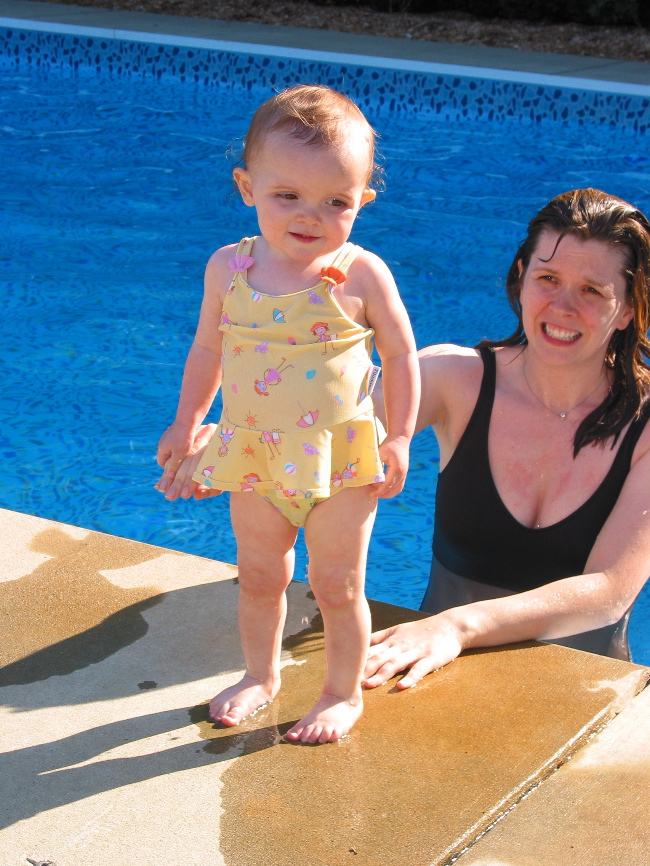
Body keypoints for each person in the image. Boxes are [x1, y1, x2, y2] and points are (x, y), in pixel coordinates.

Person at [155, 85, 419, 742]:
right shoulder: (229, 268)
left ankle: (340, 693)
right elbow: (207, 349)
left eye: (335, 202)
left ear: (362, 201)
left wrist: (401, 436)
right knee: (259, 574)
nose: (311, 216)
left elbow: (401, 355)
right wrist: (187, 422)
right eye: (288, 195)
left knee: (337, 584)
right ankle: (260, 676)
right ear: (247, 187)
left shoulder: (362, 275)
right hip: (255, 454)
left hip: (341, 462)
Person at [364, 188, 650, 690]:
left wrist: (457, 626)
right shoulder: (455, 380)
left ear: (627, 309)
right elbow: (323, 431)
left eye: (592, 291)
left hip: (586, 693)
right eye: (548, 279)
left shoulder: (644, 426)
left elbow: (609, 591)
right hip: (426, 678)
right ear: (521, 277)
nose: (563, 306)